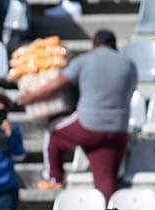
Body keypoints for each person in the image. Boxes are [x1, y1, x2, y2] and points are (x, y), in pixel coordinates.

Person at [21, 30, 137, 200]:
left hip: (88, 125)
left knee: (53, 132)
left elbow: (58, 83)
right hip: (118, 130)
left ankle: (54, 178)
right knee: (105, 184)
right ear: (115, 46)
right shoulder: (129, 65)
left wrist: (32, 96)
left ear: (94, 45)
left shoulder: (86, 60)